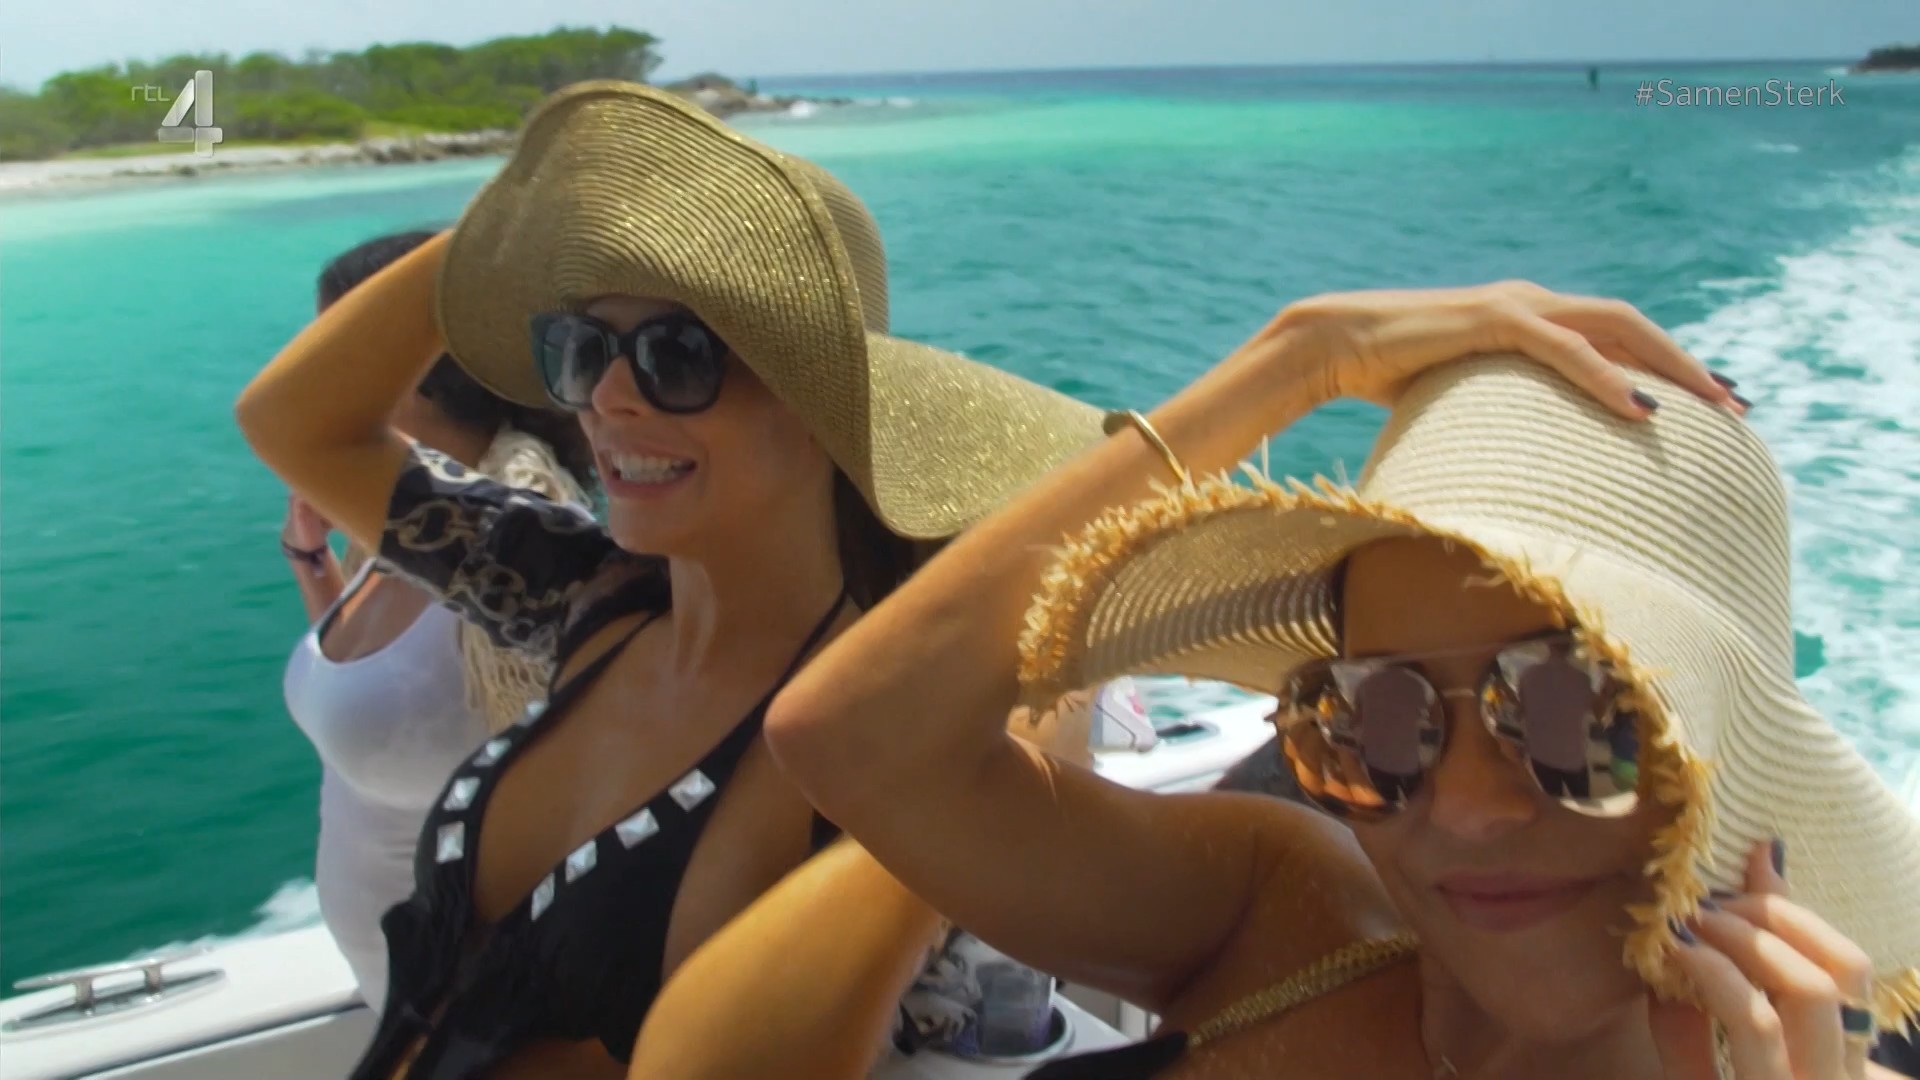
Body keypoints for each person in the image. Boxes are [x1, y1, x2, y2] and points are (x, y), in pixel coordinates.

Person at [757, 285, 1920, 1079]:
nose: (1464, 808)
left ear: (1718, 743)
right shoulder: (1284, 914)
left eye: (1572, 710)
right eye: (1374, 716)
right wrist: (1303, 355)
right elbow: (853, 736)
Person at [234, 79, 1103, 1079]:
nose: (607, 396)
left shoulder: (866, 728)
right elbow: (292, 422)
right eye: (582, 349)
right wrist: (530, 215)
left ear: (826, 402)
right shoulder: (587, 596)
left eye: (676, 354)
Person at [280, 230, 597, 1013]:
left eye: (328, 349)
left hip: (480, 991)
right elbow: (376, 688)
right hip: (394, 980)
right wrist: (311, 561)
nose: (310, 373)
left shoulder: (523, 542)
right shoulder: (408, 525)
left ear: (403, 365)